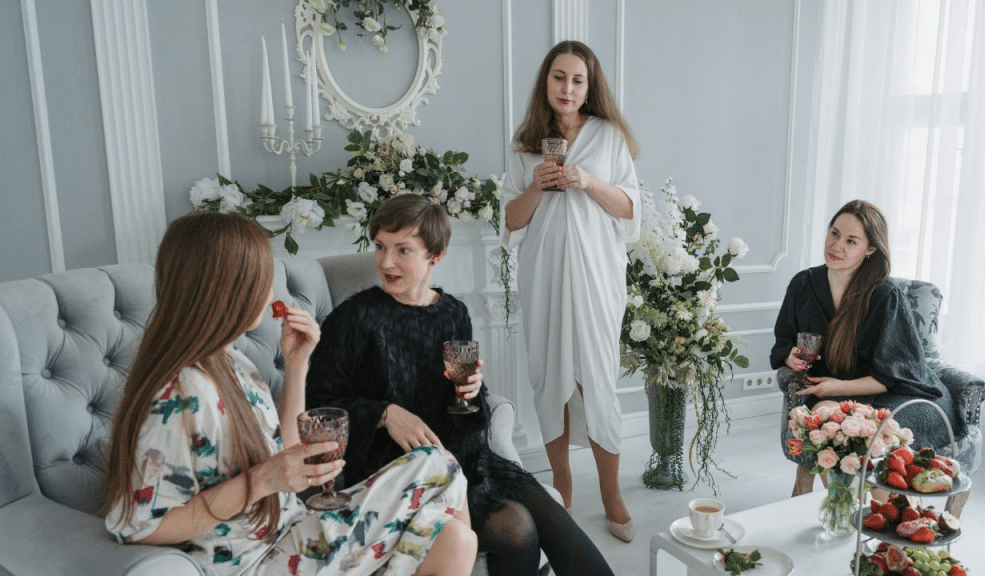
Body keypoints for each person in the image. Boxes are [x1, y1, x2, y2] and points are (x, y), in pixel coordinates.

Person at [103, 212, 477, 576]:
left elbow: (281, 450)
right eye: (262, 280)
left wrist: (297, 366)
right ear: (228, 290)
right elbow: (138, 526)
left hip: (290, 530)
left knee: (454, 531)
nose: (270, 294)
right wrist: (263, 480)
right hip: (253, 560)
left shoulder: (232, 363)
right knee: (439, 467)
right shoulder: (182, 391)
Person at [307, 194, 615, 576]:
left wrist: (470, 392)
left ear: (436, 255)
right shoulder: (354, 317)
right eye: (381, 247)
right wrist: (385, 414)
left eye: (403, 250)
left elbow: (470, 414)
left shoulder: (453, 313)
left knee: (547, 513)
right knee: (516, 528)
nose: (386, 262)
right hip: (397, 471)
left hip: (467, 458)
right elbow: (318, 404)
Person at [500, 40, 639, 542]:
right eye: (559, 77)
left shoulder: (609, 137)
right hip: (544, 276)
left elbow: (628, 208)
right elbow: (511, 221)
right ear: (547, 82)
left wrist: (586, 180)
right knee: (549, 376)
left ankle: (611, 494)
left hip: (599, 276)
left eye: (577, 80)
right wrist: (537, 185)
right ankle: (562, 488)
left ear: (590, 85)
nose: (567, 88)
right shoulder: (524, 144)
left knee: (597, 379)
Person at [770, 200, 964, 497]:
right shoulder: (803, 284)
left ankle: (879, 518)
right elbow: (784, 338)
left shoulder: (885, 295)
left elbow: (897, 374)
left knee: (869, 439)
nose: (836, 246)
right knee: (827, 420)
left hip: (897, 394)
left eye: (851, 241)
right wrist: (790, 356)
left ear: (870, 248)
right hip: (841, 391)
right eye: (834, 234)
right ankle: (843, 509)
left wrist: (836, 388)